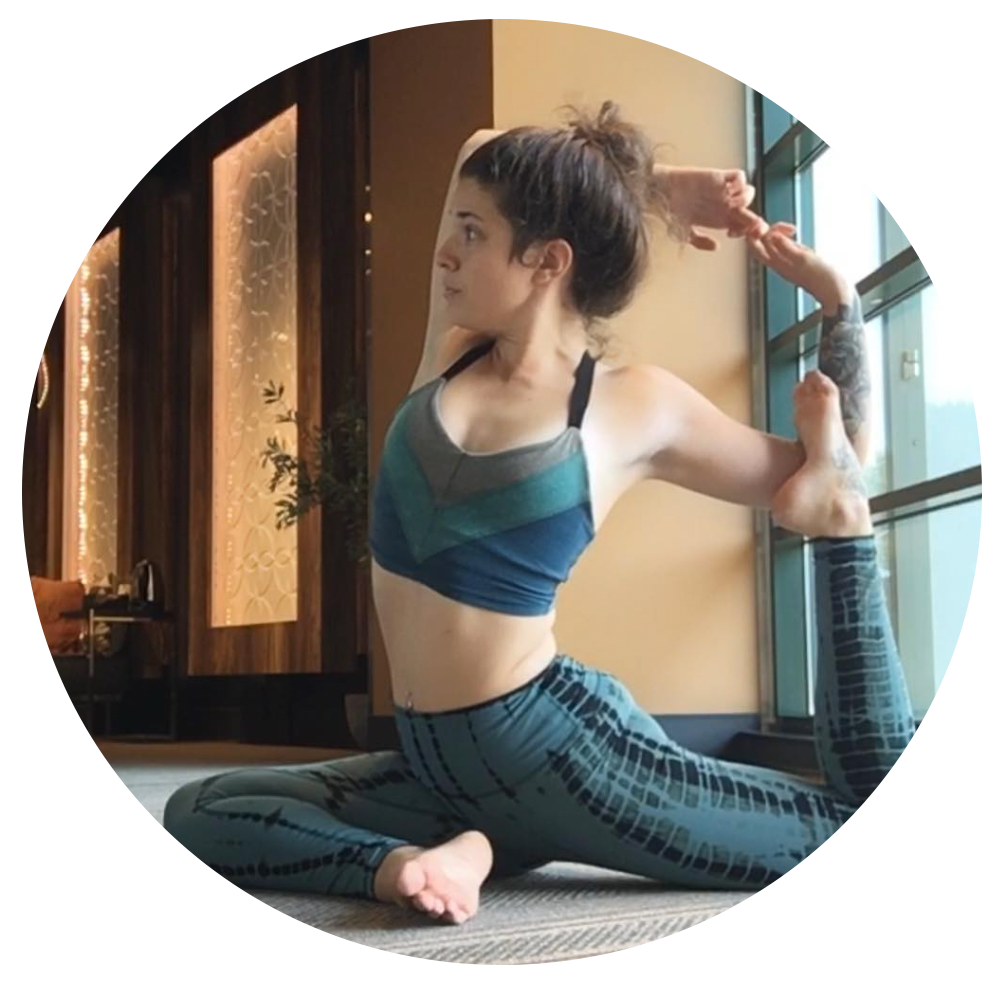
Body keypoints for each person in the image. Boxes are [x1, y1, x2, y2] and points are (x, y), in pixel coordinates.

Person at [163, 101, 915, 925]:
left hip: (565, 756)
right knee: (200, 810)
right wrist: (653, 190)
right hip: (436, 760)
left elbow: (839, 450)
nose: (446, 252)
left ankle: (844, 535)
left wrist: (841, 307)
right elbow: (482, 145)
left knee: (880, 845)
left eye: (474, 234)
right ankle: (428, 861)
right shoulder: (447, 352)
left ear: (548, 260)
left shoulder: (632, 408)